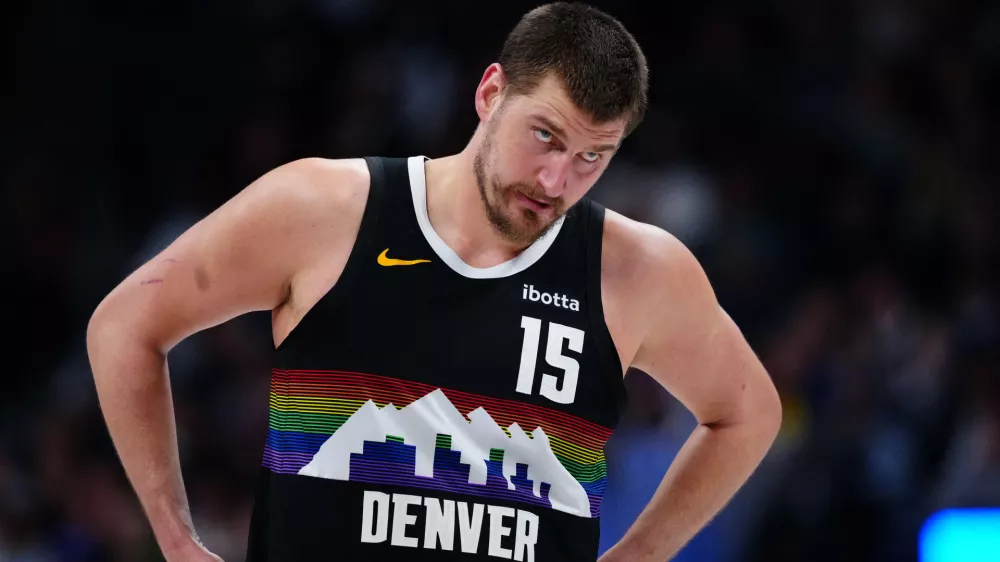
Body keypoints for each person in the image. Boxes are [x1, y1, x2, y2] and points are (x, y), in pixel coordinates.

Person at [86, 3, 782, 561]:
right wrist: (176, 541)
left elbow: (750, 413)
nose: (555, 181)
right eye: (545, 135)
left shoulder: (637, 270)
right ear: (490, 94)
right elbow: (126, 326)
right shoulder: (324, 209)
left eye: (591, 157)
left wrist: (643, 552)